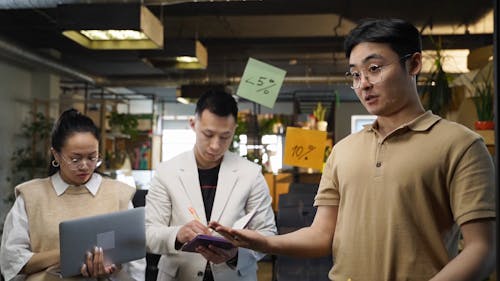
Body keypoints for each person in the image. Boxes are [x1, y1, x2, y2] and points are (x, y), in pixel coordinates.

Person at [210, 18, 496, 281]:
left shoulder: (461, 145)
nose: (363, 85)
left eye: (374, 69)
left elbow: (481, 249)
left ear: (414, 64)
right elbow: (322, 235)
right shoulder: (343, 151)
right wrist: (259, 241)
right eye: (355, 74)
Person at [145, 90, 276, 281]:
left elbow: (268, 234)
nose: (215, 145)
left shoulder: (251, 174)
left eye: (225, 137)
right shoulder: (167, 172)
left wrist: (236, 255)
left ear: (234, 130)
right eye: (208, 134)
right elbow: (148, 233)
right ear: (193, 124)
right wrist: (178, 234)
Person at [0, 109, 146, 281]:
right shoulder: (32, 196)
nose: (85, 166)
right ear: (56, 155)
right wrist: (68, 255)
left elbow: (135, 265)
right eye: (75, 159)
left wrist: (107, 272)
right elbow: (11, 261)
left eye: (92, 157)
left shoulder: (119, 194)